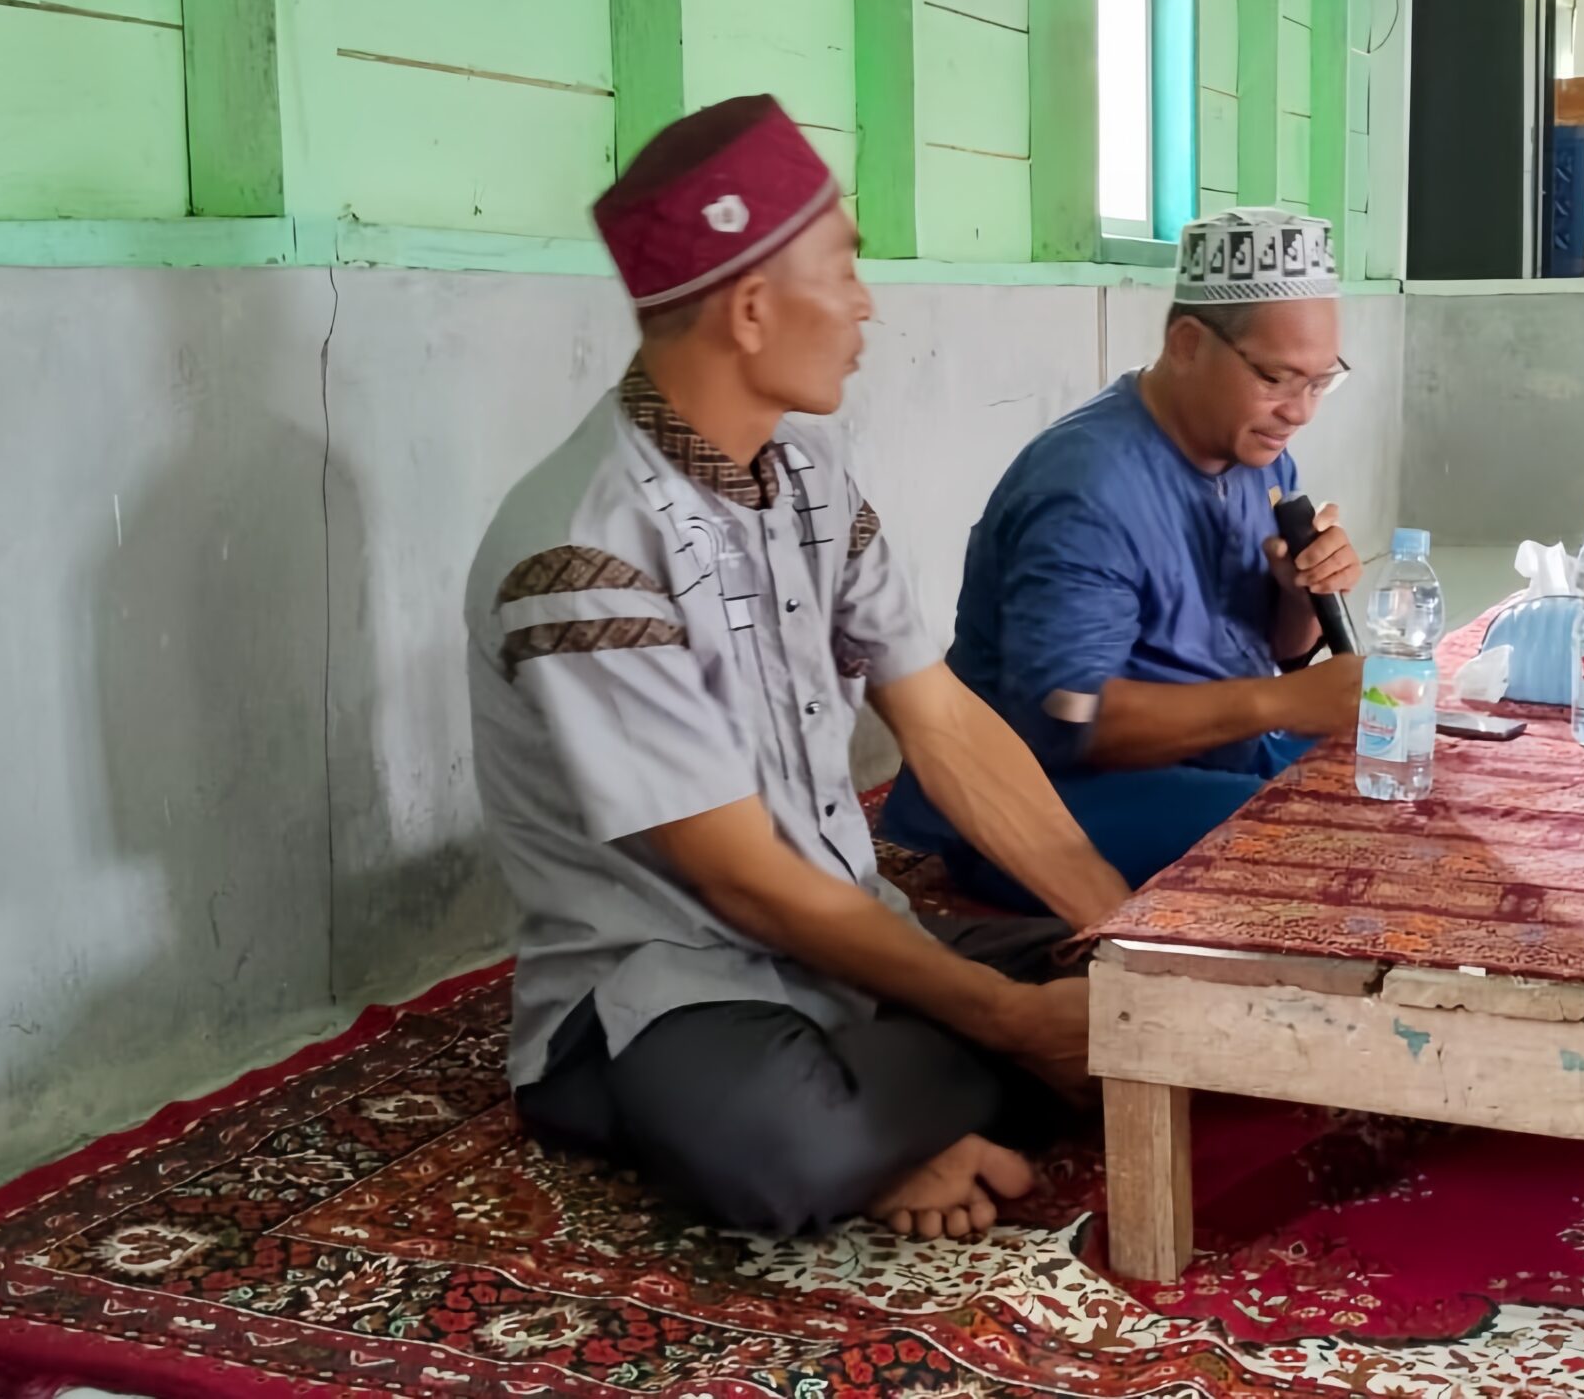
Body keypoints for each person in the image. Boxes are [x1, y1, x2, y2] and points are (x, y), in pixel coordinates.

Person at [464, 95, 1132, 1242]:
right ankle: (887, 1123)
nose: (867, 302)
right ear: (753, 307)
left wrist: (1126, 932)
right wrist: (1013, 1024)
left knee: (1136, 993)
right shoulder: (585, 550)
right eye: (845, 267)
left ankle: (905, 1114)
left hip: (845, 937)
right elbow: (741, 883)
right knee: (786, 1138)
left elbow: (943, 723)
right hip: (668, 984)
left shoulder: (812, 475)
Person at [880, 208, 1363, 910]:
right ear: (1187, 343)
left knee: (1391, 780)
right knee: (1321, 845)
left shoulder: (1258, 453)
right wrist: (1283, 702)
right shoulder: (1086, 489)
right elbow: (1066, 716)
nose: (1301, 411)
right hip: (1051, 795)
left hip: (1207, 755)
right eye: (1277, 378)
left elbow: (1278, 651)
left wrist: (1300, 597)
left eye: (1320, 382)